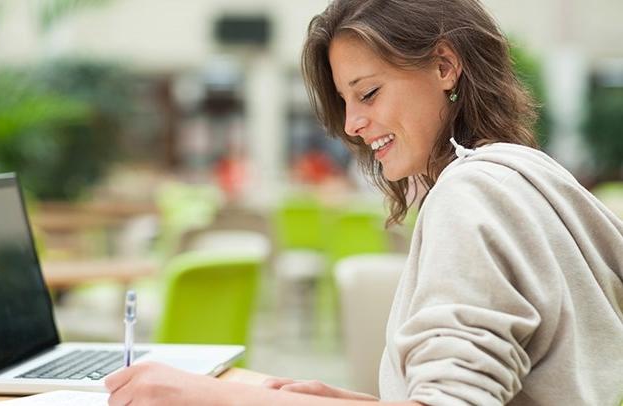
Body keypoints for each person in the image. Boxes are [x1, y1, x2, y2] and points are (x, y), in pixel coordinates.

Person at [105, 0, 623, 404]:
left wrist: (215, 397)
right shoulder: (529, 174)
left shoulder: (470, 195)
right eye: (346, 101)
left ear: (445, 65)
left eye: (368, 93)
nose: (352, 124)